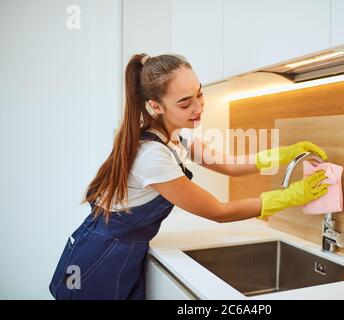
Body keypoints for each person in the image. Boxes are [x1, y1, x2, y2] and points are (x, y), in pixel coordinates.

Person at [49, 53, 329, 300]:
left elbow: (228, 164)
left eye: (199, 94)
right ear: (156, 106)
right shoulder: (152, 156)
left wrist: (282, 154)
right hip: (99, 261)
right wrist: (291, 196)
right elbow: (219, 211)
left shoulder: (174, 137)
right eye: (185, 103)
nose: (198, 108)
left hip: (123, 252)